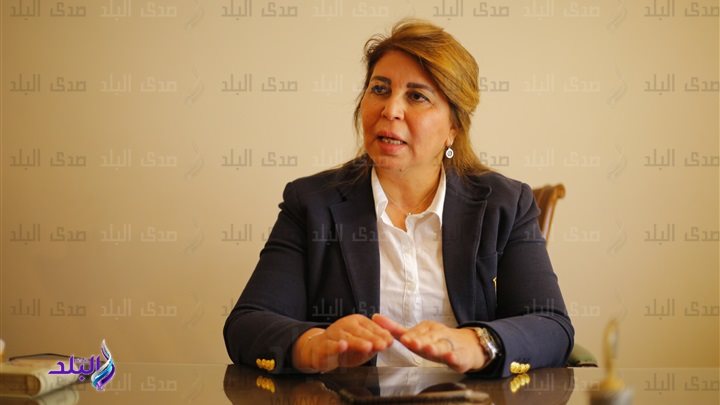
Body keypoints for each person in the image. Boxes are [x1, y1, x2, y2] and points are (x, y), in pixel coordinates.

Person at [224, 19, 574, 378]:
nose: (390, 110)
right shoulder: (312, 203)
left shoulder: (505, 204)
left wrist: (478, 343)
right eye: (379, 89)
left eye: (417, 96)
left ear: (453, 127)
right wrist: (312, 344)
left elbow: (551, 325)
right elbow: (248, 323)